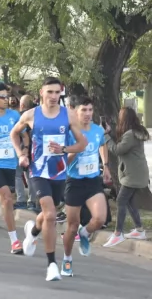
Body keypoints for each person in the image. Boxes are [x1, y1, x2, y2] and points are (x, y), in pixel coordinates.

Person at [10, 77, 87, 281]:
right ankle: (52, 264)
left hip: (59, 173)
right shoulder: (30, 114)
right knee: (51, 215)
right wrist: (21, 154)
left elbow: (82, 143)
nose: (54, 96)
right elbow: (14, 134)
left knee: (47, 214)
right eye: (50, 92)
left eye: (57, 92)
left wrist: (64, 149)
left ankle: (33, 231)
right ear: (41, 92)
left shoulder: (68, 115)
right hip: (38, 171)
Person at [60, 96, 109, 277]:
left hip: (93, 180)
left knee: (100, 219)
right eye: (84, 110)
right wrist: (76, 149)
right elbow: (63, 160)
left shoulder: (97, 130)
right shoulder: (70, 132)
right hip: (74, 182)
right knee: (71, 227)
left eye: (90, 110)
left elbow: (102, 145)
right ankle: (67, 259)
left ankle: (86, 232)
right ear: (75, 111)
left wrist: (106, 166)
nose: (88, 114)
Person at [0, 85, 25, 254]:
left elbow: (23, 134)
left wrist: (24, 150)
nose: (6, 100)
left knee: (7, 198)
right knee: (8, 199)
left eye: (7, 96)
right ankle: (14, 240)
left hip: (11, 163)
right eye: (2, 97)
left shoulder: (15, 115)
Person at [103, 107, 149, 247]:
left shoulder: (130, 134)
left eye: (120, 116)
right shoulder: (135, 132)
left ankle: (118, 234)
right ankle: (139, 230)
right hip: (137, 173)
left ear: (125, 119)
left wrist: (106, 136)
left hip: (132, 175)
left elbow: (117, 150)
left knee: (121, 201)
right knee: (129, 202)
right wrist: (110, 133)